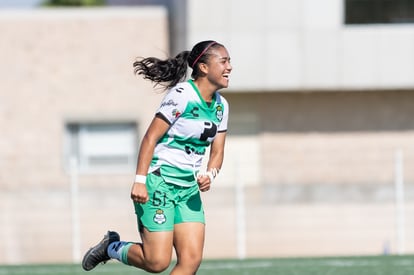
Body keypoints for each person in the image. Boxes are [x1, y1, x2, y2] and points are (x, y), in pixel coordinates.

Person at [82, 40, 232, 274]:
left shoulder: (222, 107)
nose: (229, 67)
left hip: (188, 190)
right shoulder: (182, 95)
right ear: (203, 67)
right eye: (223, 61)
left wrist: (209, 174)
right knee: (157, 262)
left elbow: (218, 151)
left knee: (191, 260)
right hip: (159, 182)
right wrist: (140, 180)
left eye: (229, 61)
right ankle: (111, 247)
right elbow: (150, 138)